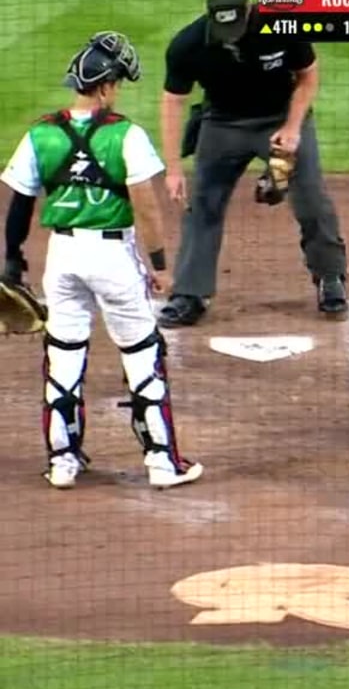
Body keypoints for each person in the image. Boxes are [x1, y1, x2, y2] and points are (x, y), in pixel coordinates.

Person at [0, 31, 203, 489]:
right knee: (142, 352)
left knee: (64, 355)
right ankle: (162, 462)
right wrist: (159, 264)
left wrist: (12, 261)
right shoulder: (125, 134)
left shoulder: (41, 132)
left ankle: (63, 462)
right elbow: (146, 206)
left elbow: (19, 204)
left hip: (63, 257)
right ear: (107, 86)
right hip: (112, 256)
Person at [156, 0, 349, 327]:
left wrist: (292, 128)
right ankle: (189, 293)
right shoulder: (188, 45)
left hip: (279, 118)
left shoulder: (281, 25)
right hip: (222, 125)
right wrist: (172, 168)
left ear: (250, 12)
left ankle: (330, 277)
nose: (230, 36)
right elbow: (173, 101)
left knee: (311, 198)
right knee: (203, 204)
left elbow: (308, 75)